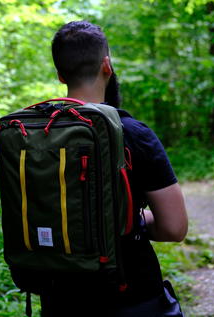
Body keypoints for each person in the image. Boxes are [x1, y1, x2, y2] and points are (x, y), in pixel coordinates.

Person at [39, 21, 188, 317]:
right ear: (106, 66)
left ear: (60, 75)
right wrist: (129, 218)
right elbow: (174, 227)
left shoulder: (39, 134)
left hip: (59, 301)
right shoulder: (134, 134)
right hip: (131, 296)